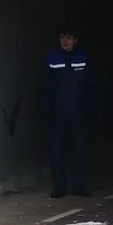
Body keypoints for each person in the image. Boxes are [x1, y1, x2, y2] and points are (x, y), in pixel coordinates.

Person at [41, 32, 94, 199]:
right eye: (62, 38)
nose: (65, 41)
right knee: (58, 151)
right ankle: (59, 188)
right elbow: (44, 85)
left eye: (69, 38)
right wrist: (45, 109)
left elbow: (91, 84)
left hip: (79, 112)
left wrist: (91, 108)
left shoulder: (83, 57)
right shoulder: (52, 57)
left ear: (75, 40)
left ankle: (80, 187)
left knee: (80, 150)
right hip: (58, 113)